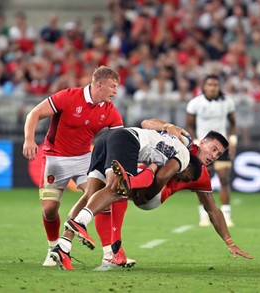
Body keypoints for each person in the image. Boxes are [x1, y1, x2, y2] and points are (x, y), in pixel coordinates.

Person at [49, 126, 196, 270]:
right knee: (116, 190)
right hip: (127, 140)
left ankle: (63, 245)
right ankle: (81, 222)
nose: (180, 179)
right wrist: (146, 195)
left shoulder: (162, 141)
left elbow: (151, 167)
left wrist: (167, 125)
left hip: (106, 139)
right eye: (185, 177)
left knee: (90, 195)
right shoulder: (184, 155)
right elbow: (162, 176)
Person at [22, 65, 124, 266]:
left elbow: (119, 139)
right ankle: (53, 249)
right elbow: (34, 113)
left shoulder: (109, 110)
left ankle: (108, 253)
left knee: (101, 200)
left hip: (84, 159)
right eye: (112, 86)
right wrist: (28, 139)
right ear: (99, 85)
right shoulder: (68, 97)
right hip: (54, 158)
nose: (115, 91)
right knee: (50, 209)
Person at [186, 74, 237, 227]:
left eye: (215, 85)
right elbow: (189, 125)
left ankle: (226, 215)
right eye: (210, 85)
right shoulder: (195, 103)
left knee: (224, 179)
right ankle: (203, 215)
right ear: (204, 87)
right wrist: (195, 142)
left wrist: (233, 141)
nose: (213, 87)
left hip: (221, 148)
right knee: (202, 181)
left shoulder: (227, 102)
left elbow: (233, 123)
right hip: (203, 148)